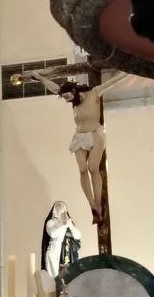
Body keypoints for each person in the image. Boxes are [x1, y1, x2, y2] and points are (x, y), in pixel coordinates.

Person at [26, 68, 127, 224]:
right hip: (79, 137)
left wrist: (129, 71)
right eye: (65, 98)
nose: (67, 100)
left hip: (95, 134)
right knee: (82, 170)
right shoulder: (72, 99)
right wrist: (39, 76)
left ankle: (99, 204)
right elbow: (54, 87)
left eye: (67, 97)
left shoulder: (94, 93)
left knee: (93, 168)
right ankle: (92, 205)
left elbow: (112, 82)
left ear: (74, 91)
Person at [41, 201, 82, 278]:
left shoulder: (68, 223)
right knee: (54, 278)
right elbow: (53, 233)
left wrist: (71, 227)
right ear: (55, 211)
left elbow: (78, 236)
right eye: (60, 209)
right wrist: (63, 225)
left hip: (65, 253)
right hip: (54, 252)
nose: (63, 212)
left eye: (64, 210)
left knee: (66, 278)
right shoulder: (51, 222)